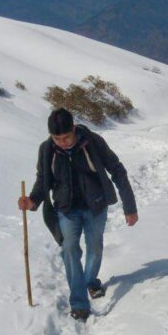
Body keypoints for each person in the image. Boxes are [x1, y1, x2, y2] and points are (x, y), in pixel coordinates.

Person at [18, 108, 138, 322]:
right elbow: (43, 179)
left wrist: (129, 207)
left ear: (73, 128)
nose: (62, 142)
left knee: (95, 247)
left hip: (96, 206)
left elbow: (117, 170)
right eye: (57, 138)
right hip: (66, 209)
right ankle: (79, 303)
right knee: (70, 249)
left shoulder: (93, 142)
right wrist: (33, 200)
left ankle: (91, 281)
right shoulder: (47, 150)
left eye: (66, 137)